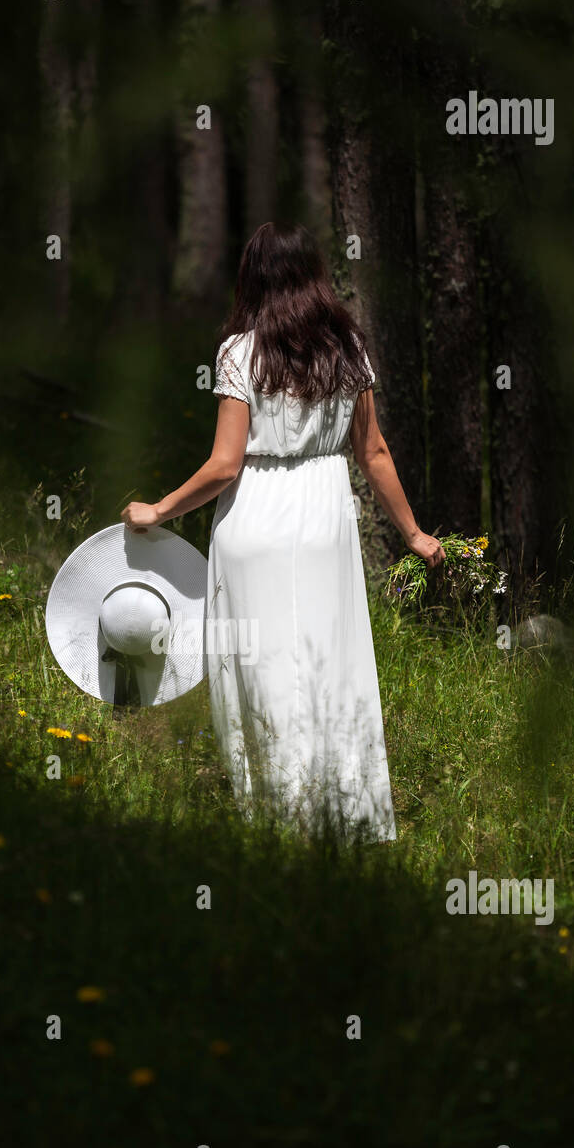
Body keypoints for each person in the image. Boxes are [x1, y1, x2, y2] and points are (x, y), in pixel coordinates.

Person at [121, 222, 443, 841]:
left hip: (256, 516)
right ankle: (345, 815)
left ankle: (275, 821)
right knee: (333, 661)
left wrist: (159, 511)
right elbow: (374, 452)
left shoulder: (241, 351)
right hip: (326, 515)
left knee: (260, 662)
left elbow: (225, 464)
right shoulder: (347, 345)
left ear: (253, 278)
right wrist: (413, 533)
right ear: (315, 275)